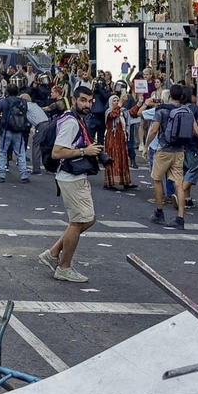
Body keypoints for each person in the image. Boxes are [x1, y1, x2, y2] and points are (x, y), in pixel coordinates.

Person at [38, 86, 102, 282]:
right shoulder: (71, 123)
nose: (87, 105)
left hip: (74, 177)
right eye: (83, 100)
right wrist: (84, 152)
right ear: (73, 100)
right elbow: (57, 152)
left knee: (86, 220)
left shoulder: (74, 119)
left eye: (90, 101)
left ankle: (53, 254)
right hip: (70, 177)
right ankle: (64, 268)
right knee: (78, 223)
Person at [150, 84, 193, 230]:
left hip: (164, 149)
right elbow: (195, 131)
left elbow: (154, 130)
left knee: (157, 179)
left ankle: (159, 212)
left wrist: (148, 144)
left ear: (169, 96)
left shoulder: (161, 110)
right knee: (178, 184)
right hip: (179, 151)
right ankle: (180, 218)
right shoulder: (187, 110)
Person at [101, 94, 133, 191]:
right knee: (113, 157)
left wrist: (140, 103)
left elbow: (133, 113)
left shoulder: (122, 111)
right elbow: (113, 115)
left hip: (121, 138)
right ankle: (110, 182)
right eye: (114, 101)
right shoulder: (108, 112)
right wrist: (120, 103)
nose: (116, 102)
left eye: (117, 100)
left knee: (123, 157)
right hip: (112, 137)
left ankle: (125, 181)